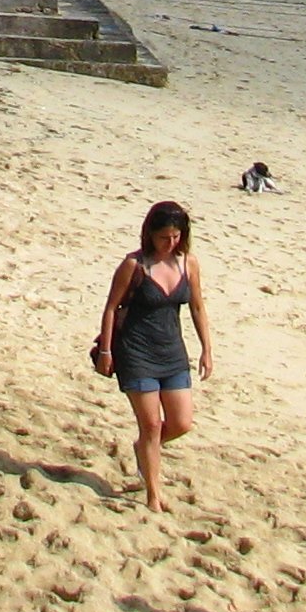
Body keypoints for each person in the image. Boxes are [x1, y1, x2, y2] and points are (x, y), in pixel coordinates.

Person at [94, 201, 213, 512]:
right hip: (135, 352)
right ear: (150, 234)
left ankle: (144, 451)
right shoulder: (134, 266)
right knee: (151, 426)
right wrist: (106, 350)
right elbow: (111, 308)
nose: (170, 243)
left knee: (182, 422)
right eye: (164, 237)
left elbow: (197, 307)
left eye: (176, 237)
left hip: (172, 351)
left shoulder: (189, 264)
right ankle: (153, 496)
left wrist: (206, 350)